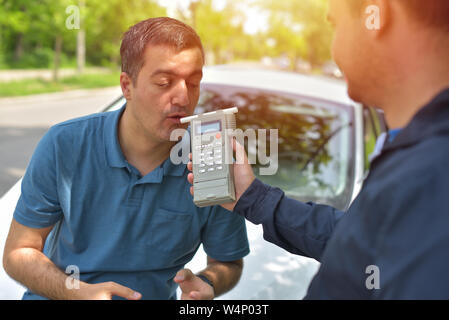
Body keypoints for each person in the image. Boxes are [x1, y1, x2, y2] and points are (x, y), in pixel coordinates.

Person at [186, 0, 449, 299]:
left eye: (335, 24)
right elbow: (361, 240)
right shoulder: (421, 160)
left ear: (378, 14)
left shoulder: (432, 178)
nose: (333, 49)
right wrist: (252, 198)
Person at [2, 17, 249, 300]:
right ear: (126, 86)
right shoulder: (65, 144)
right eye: (164, 82)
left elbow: (227, 262)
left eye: (193, 83)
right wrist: (77, 293)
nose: (183, 97)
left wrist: (209, 282)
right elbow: (18, 253)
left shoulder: (210, 160)